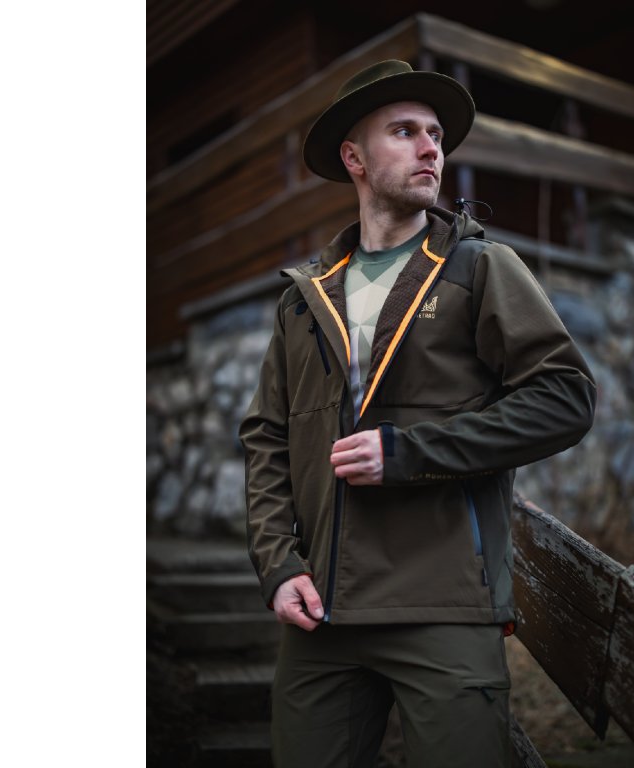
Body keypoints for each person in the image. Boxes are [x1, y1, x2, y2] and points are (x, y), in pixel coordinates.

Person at [240, 59, 596, 768]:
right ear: (355, 158)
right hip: (322, 616)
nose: (431, 147)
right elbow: (267, 438)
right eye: (404, 132)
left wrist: (410, 452)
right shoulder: (304, 298)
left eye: (435, 134)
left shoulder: (479, 268)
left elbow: (564, 398)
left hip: (444, 607)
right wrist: (279, 565)